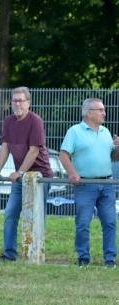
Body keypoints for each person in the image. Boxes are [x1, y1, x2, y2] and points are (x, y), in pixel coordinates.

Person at [0, 86, 53, 261]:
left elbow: (34, 151)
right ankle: (9, 254)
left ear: (28, 103)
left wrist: (19, 171)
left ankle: (36, 252)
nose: (17, 104)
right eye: (15, 100)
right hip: (21, 176)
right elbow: (5, 148)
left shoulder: (35, 121)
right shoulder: (8, 121)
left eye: (21, 100)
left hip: (40, 176)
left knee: (36, 215)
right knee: (10, 213)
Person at [59, 98, 119, 268]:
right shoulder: (75, 131)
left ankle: (110, 259)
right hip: (85, 185)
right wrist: (72, 173)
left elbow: (113, 157)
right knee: (83, 223)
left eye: (103, 109)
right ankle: (83, 257)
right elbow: (64, 155)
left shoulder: (106, 131)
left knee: (110, 222)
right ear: (89, 112)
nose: (104, 113)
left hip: (107, 184)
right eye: (100, 110)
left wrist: (118, 147)